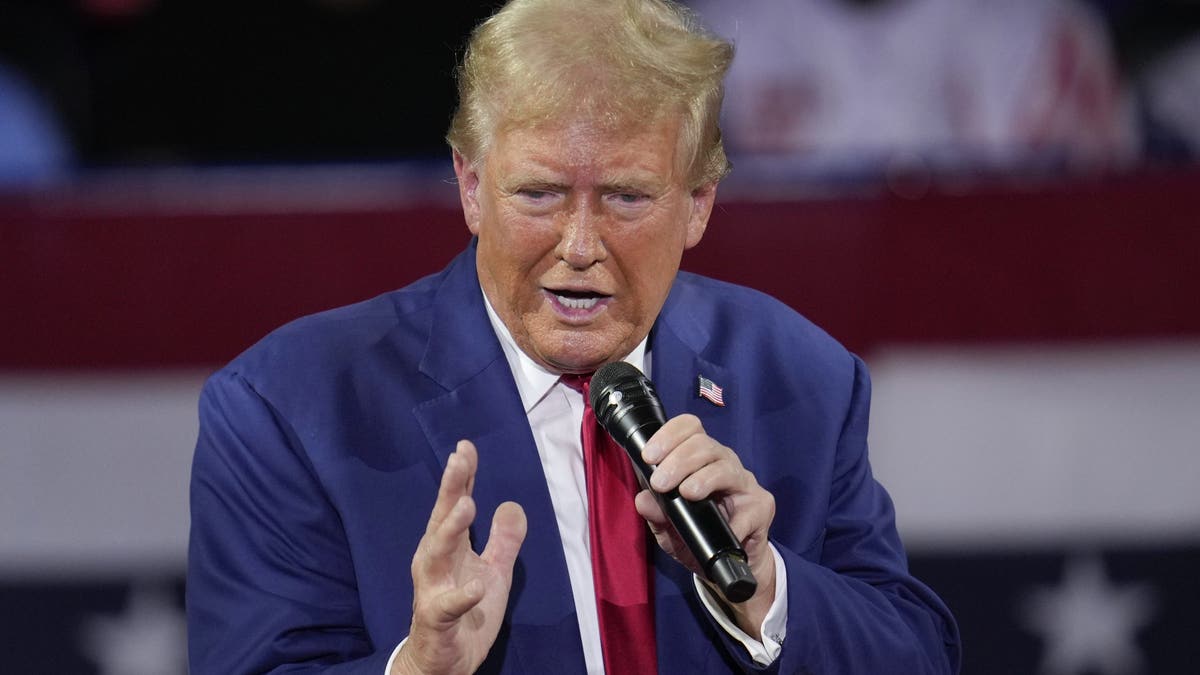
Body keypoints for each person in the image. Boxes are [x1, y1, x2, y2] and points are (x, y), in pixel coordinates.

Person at [185, 0, 960, 673]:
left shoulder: (800, 376)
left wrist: (763, 582)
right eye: (540, 193)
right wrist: (418, 669)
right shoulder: (292, 409)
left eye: (625, 196)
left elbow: (917, 654)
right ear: (470, 185)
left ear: (698, 204)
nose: (579, 244)